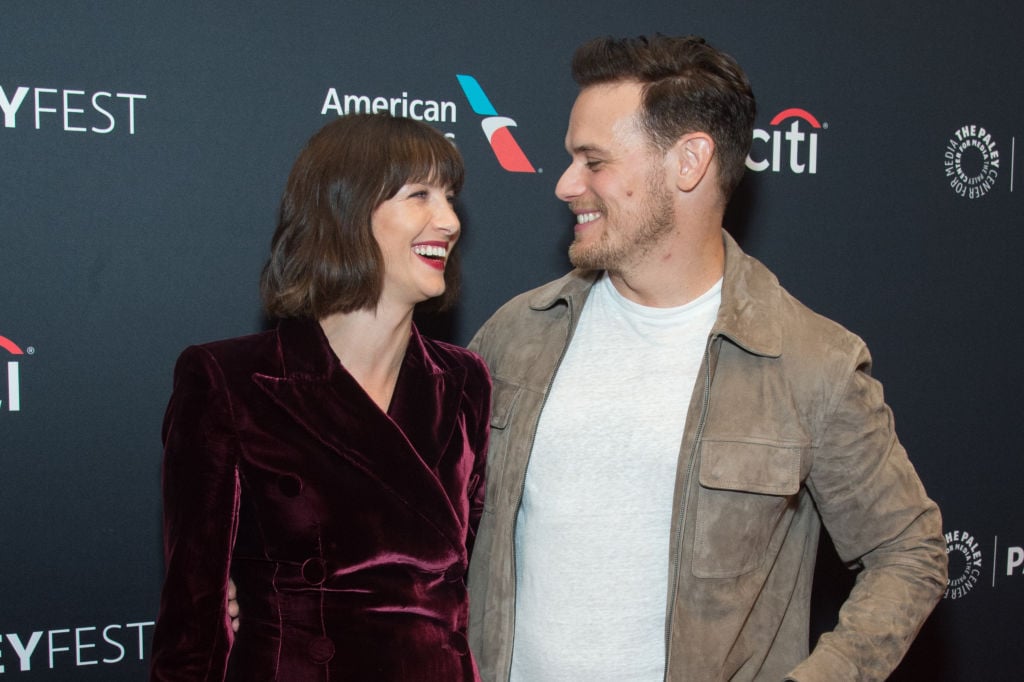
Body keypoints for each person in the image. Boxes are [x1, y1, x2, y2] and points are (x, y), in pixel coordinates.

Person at [465, 35, 948, 681]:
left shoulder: (811, 365)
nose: (565, 184)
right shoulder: (516, 335)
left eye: (594, 161)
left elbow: (908, 552)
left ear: (689, 161)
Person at [150, 113, 491, 681]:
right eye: (420, 195)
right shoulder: (230, 380)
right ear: (346, 210)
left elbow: (471, 574)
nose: (450, 221)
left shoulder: (464, 381)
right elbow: (192, 624)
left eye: (450, 197)